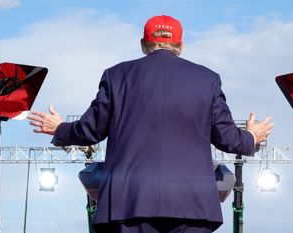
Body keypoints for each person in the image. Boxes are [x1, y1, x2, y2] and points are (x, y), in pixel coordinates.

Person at [28, 15, 273, 233]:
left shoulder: (116, 76)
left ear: (144, 44)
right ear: (181, 45)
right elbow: (227, 138)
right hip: (193, 205)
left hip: (128, 203)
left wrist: (60, 128)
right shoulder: (208, 79)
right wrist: (251, 136)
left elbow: (92, 130)